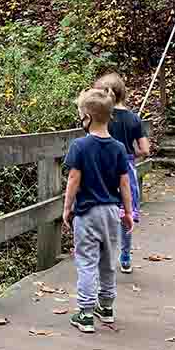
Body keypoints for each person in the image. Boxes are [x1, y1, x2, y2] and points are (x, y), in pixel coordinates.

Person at [63, 88, 133, 334]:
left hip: (87, 213)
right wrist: (128, 211)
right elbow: (124, 182)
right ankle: (107, 307)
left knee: (86, 262)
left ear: (88, 117)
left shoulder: (79, 146)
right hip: (112, 213)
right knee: (108, 262)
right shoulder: (118, 148)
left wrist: (67, 207)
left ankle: (85, 313)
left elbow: (74, 179)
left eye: (81, 115)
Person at [95, 73, 150, 274]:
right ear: (122, 93)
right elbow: (145, 150)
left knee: (102, 209)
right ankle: (125, 256)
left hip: (102, 169)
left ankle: (102, 255)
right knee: (125, 213)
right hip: (125, 169)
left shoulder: (101, 117)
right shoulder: (134, 119)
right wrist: (132, 155)